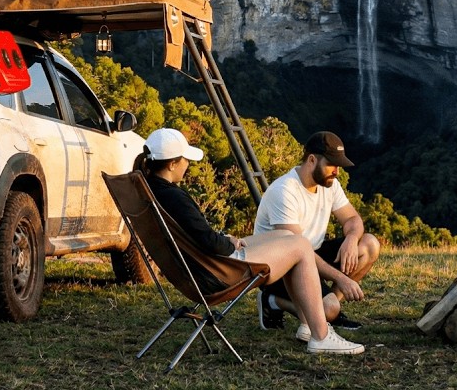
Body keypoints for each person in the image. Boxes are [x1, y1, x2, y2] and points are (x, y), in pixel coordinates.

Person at [138, 128, 364, 355]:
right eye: (185, 159)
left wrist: (224, 239)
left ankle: (308, 325)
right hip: (218, 270)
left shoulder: (152, 190)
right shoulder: (174, 197)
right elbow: (207, 241)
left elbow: (199, 235)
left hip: (196, 268)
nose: (188, 164)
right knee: (301, 245)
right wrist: (229, 244)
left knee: (291, 238)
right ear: (172, 164)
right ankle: (321, 336)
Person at [253, 130, 381, 334]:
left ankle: (329, 307)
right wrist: (341, 278)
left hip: (310, 255)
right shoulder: (284, 191)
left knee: (369, 244)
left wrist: (351, 238)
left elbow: (352, 219)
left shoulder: (330, 185)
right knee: (328, 309)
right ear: (312, 160)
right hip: (280, 268)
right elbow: (295, 250)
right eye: (332, 164)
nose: (337, 171)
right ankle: (273, 301)